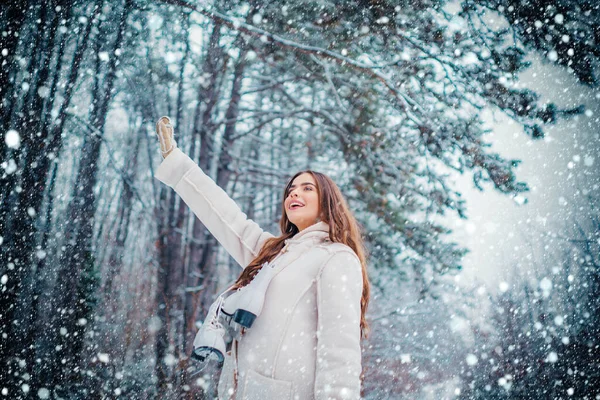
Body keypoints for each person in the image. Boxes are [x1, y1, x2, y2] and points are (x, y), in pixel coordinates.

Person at [154, 117, 370, 400]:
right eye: (291, 189)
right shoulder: (274, 253)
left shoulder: (337, 259)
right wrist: (179, 165)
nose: (294, 192)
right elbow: (224, 216)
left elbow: (340, 354)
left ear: (328, 201)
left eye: (307, 188)